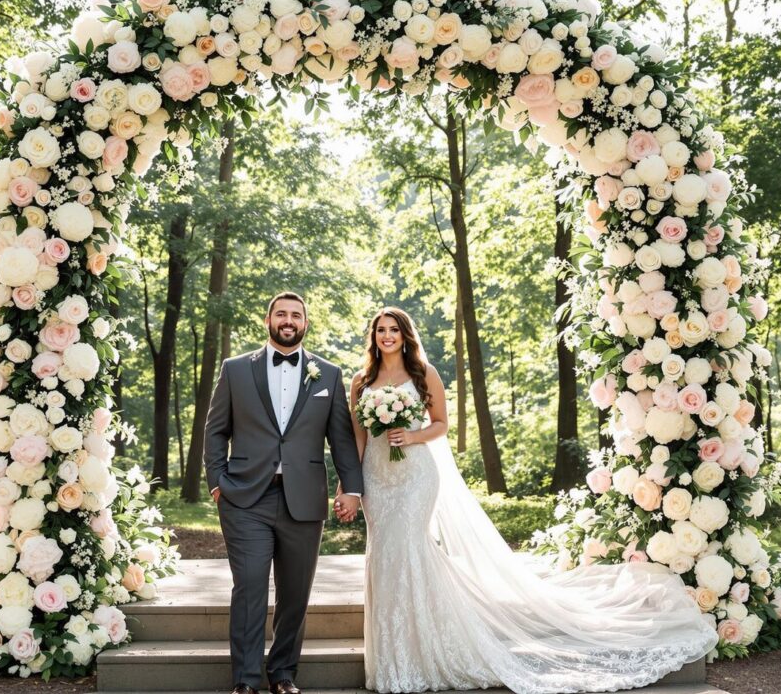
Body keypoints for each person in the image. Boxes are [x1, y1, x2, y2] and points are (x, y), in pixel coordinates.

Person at [345, 306, 718, 694]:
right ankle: (392, 658)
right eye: (380, 330)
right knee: (384, 556)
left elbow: (441, 425)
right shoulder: (362, 380)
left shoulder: (424, 374)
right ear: (373, 337)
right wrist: (350, 486)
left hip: (415, 477)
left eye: (394, 329)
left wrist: (412, 436)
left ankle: (422, 653)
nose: (387, 336)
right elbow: (357, 437)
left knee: (408, 549)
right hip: (378, 478)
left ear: (405, 335)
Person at [204, 291, 364, 694]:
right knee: (251, 586)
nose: (288, 320)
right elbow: (215, 429)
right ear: (268, 320)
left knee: (295, 592)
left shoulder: (327, 373)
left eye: (296, 314)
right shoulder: (236, 369)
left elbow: (342, 440)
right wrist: (217, 481)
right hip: (245, 498)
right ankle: (245, 679)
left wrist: (354, 490)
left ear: (305, 322)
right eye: (281, 314)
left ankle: (284, 673)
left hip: (304, 499)